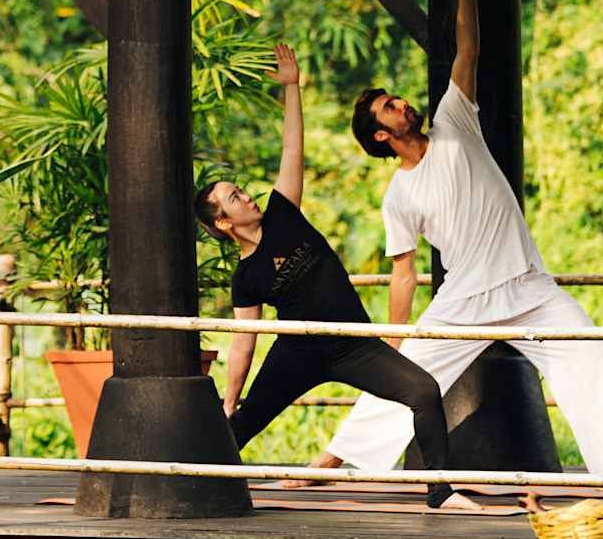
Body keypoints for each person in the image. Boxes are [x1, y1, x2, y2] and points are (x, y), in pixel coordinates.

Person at [319, 0, 603, 486]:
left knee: (590, 353)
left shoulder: (453, 121)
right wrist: (395, 338)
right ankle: (327, 463)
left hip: (528, 287)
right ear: (381, 136)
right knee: (405, 379)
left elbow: (469, 49)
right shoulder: (399, 195)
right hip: (463, 301)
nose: (402, 104)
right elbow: (404, 272)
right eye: (389, 108)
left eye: (397, 98)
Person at [194, 42, 478, 513]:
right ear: (223, 223)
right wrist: (229, 399)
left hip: (353, 344)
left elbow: (292, 148)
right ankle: (197, 490)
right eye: (234, 198)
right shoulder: (246, 277)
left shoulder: (283, 213)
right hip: (298, 353)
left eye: (241, 189)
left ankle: (440, 492)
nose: (246, 196)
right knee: (240, 425)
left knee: (423, 391)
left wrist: (292, 88)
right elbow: (244, 341)